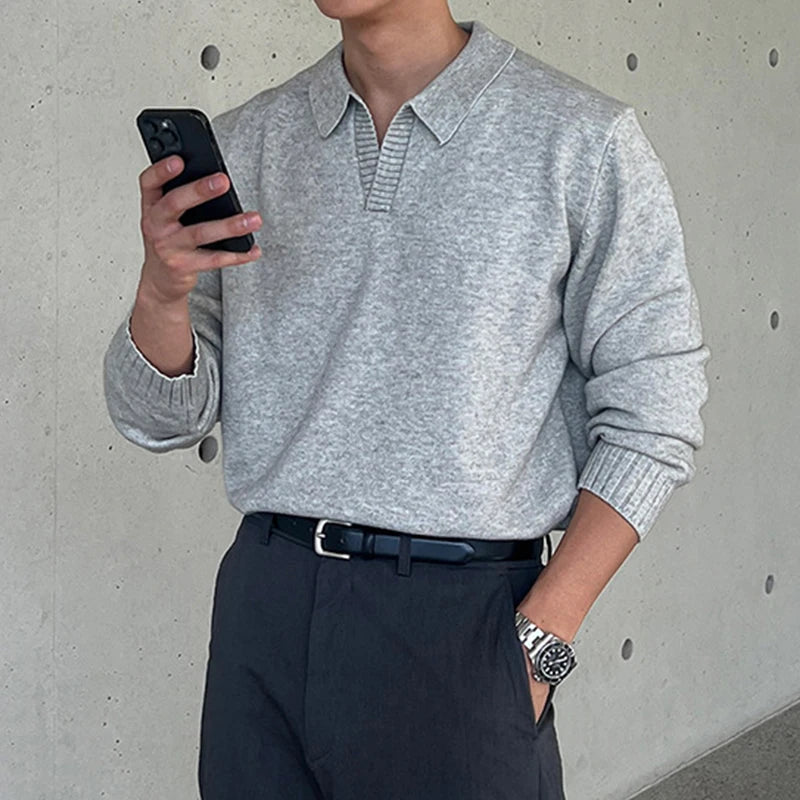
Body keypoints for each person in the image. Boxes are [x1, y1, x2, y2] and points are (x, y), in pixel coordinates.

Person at [103, 1, 711, 798]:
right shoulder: (247, 143)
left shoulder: (580, 140)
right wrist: (162, 290)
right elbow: (159, 418)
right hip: (267, 606)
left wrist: (541, 642)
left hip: (464, 626)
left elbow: (657, 407)